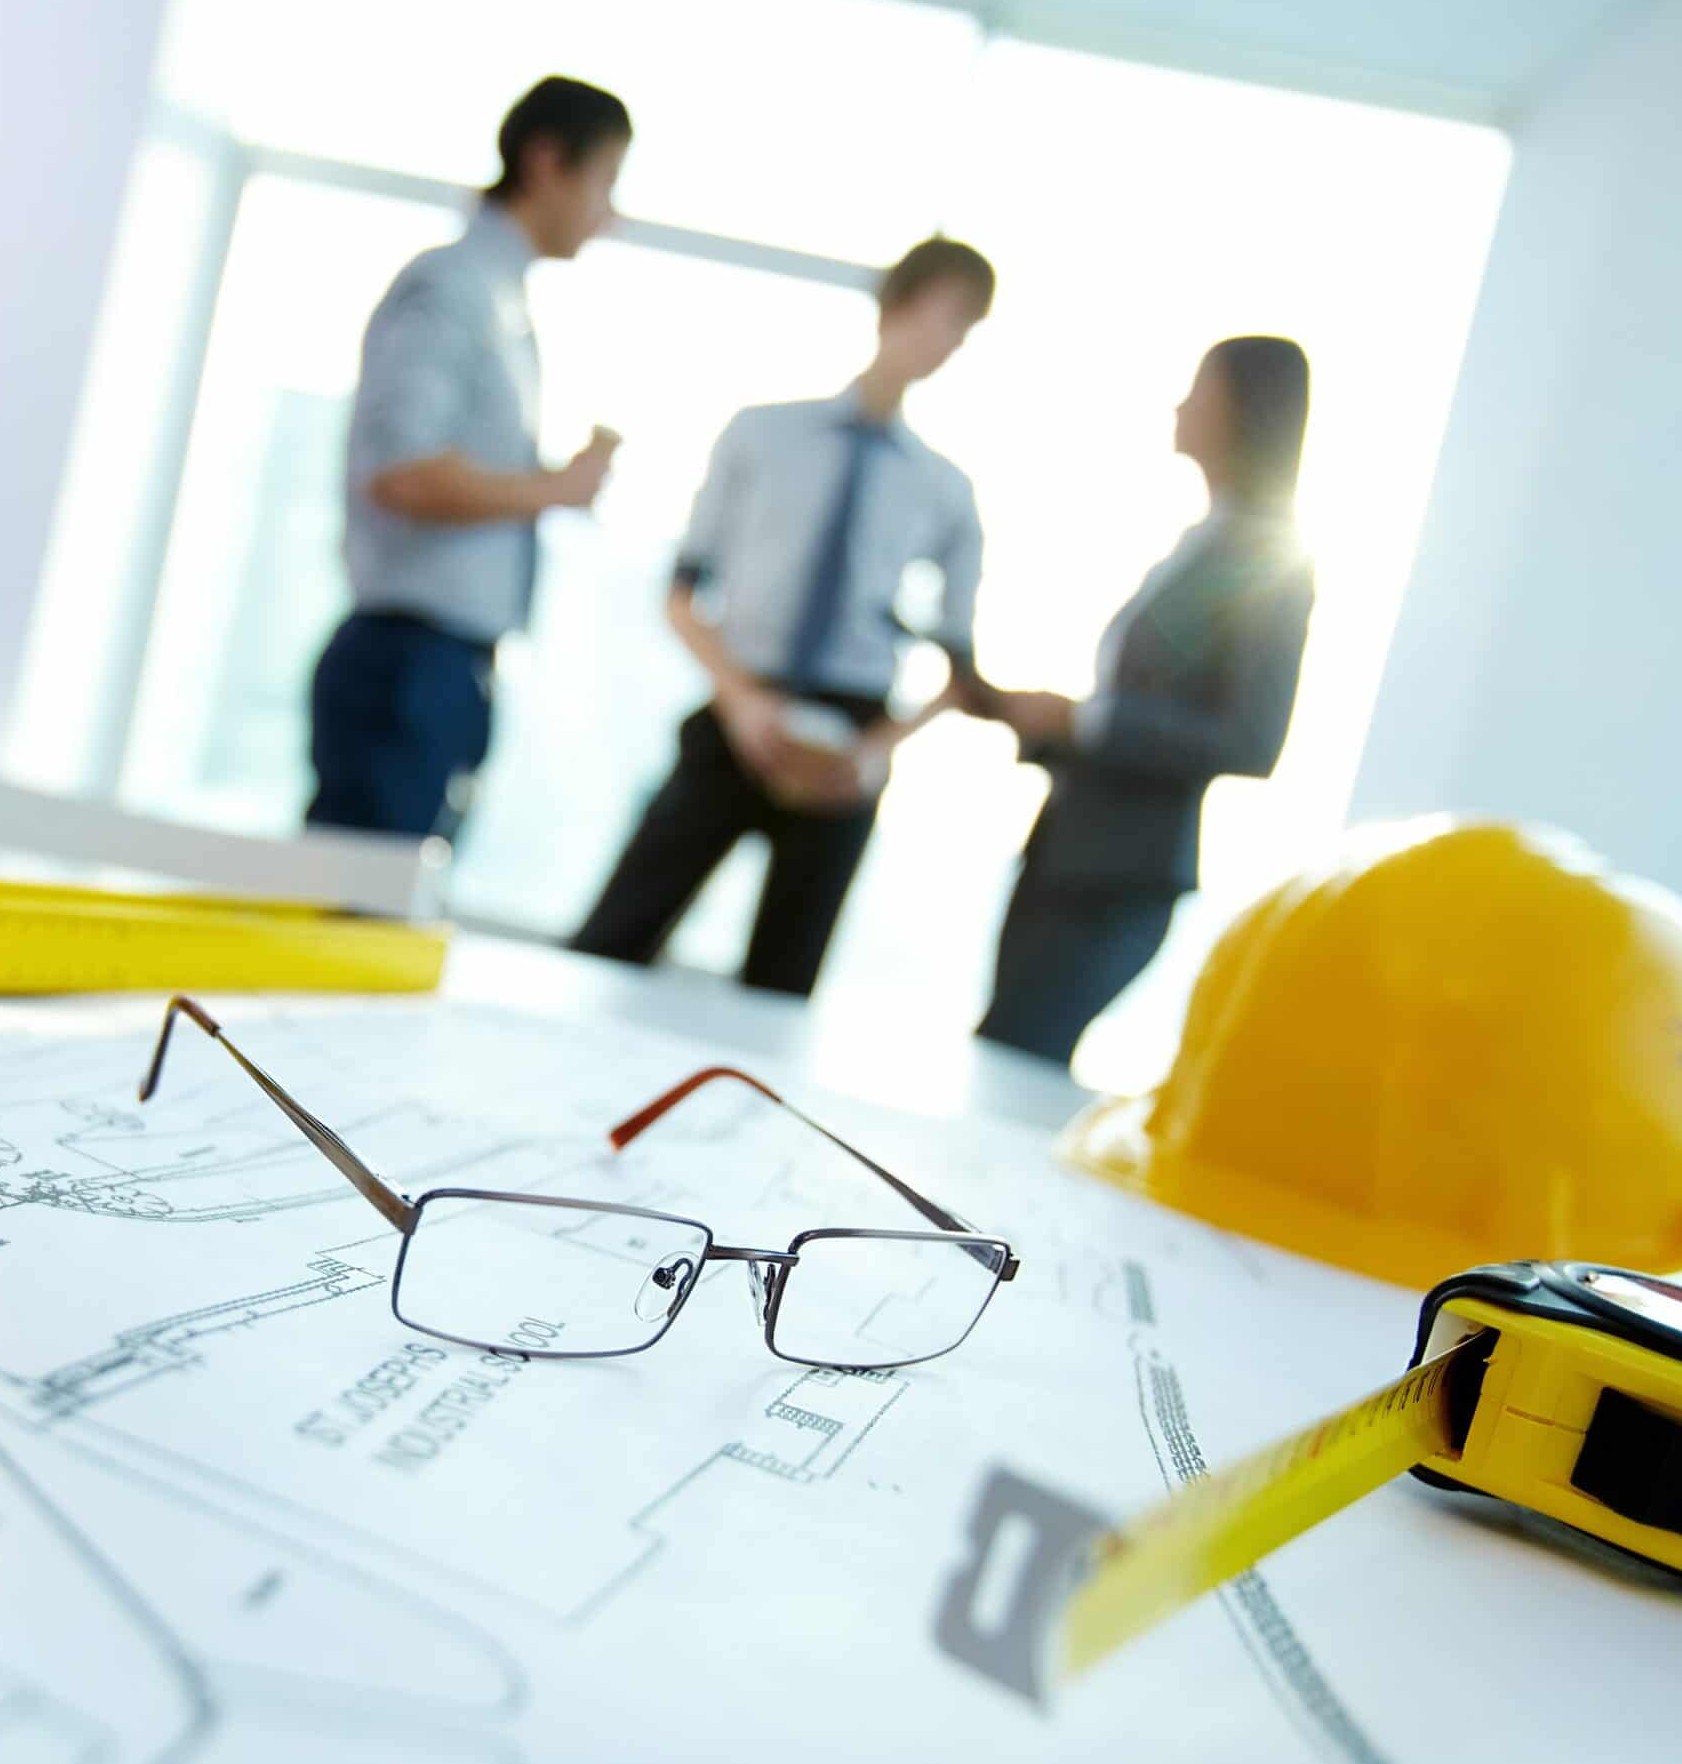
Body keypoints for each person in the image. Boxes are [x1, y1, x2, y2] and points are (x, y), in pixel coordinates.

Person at [567, 237, 995, 997]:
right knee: (611, 939)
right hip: (740, 709)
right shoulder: (761, 435)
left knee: (783, 987)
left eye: (968, 332)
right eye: (947, 317)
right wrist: (744, 703)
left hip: (849, 743)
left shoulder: (947, 491)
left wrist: (875, 751)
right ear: (897, 303)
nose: (952, 344)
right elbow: (682, 592)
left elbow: (961, 669)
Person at [962, 334, 1317, 1064]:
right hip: (1066, 851)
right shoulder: (1203, 542)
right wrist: (1040, 719)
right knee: (1001, 1054)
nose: (1181, 404)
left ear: (1246, 409)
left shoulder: (1270, 559)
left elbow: (1253, 740)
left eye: (1200, 388)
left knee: (1013, 1061)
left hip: (1119, 875)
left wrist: (1087, 718)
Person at [304, 76, 632, 840]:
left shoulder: (498, 299)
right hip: (406, 664)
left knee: (388, 922)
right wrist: (557, 488)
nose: (610, 213)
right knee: (358, 922)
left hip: (445, 666)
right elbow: (406, 474)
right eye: (605, 180)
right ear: (548, 161)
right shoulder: (451, 287)